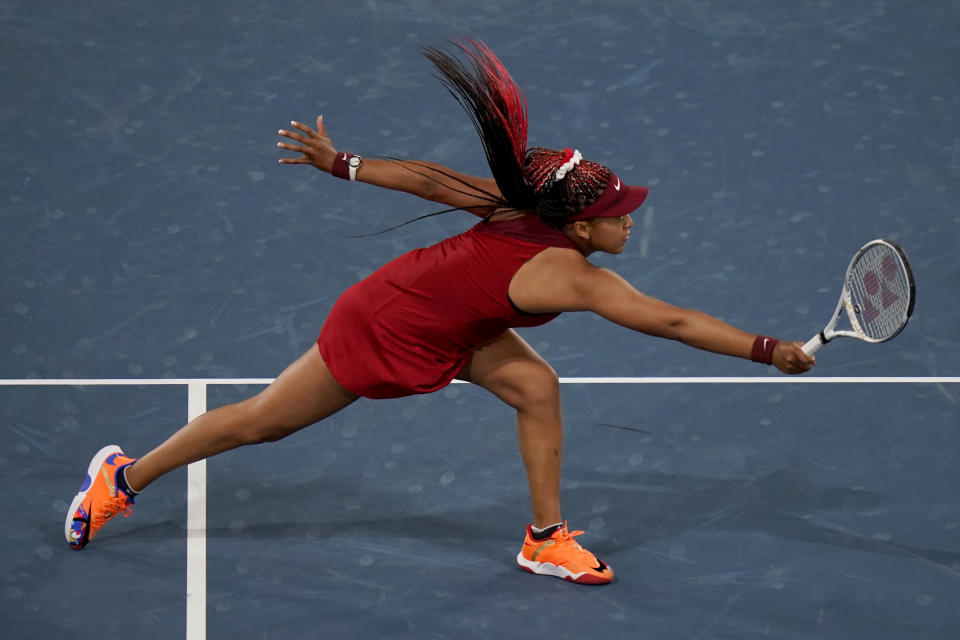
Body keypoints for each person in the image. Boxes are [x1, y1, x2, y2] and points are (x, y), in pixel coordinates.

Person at [64, 41, 815, 585]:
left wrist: (343, 164)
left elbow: (429, 179)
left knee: (536, 388)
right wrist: (768, 348)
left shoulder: (519, 206)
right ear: (580, 228)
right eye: (618, 215)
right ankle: (123, 478)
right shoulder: (571, 275)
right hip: (385, 324)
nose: (629, 221)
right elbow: (673, 322)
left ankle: (545, 538)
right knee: (267, 420)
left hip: (456, 324)